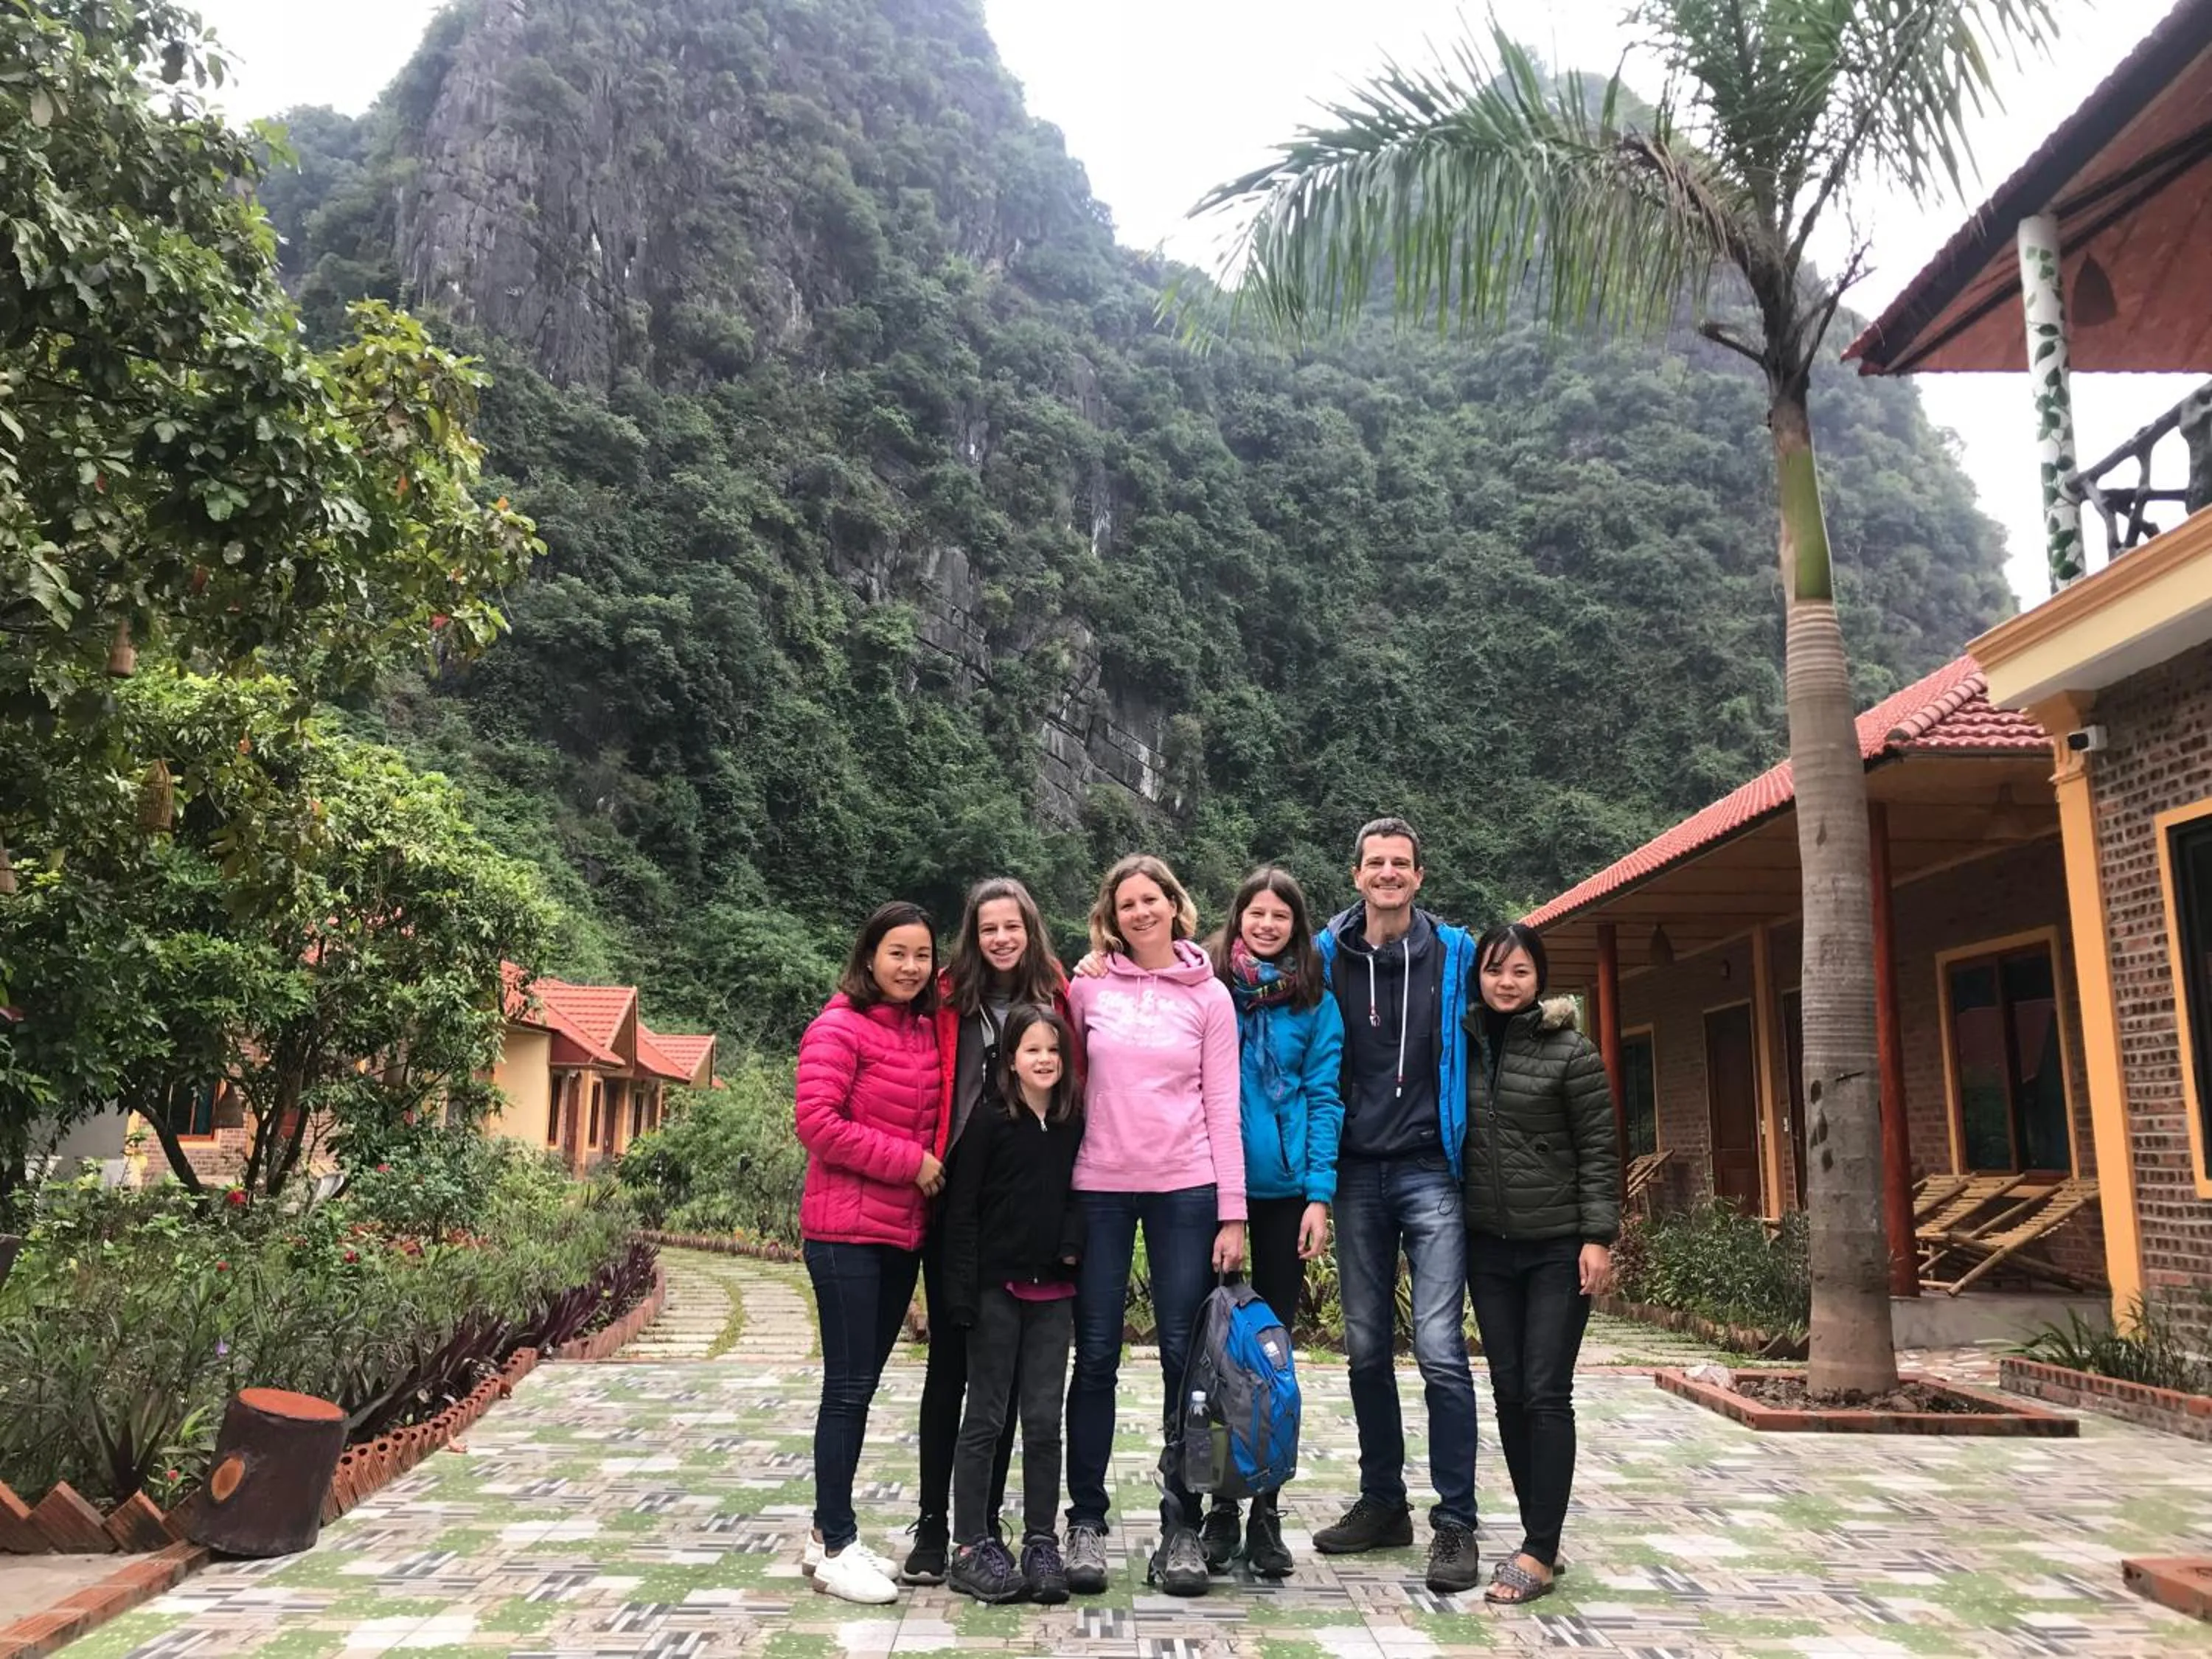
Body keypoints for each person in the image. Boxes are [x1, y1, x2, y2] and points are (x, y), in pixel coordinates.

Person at [1064, 853, 1243, 1599]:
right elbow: (1064, 1083)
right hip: (1099, 1187)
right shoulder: (1086, 988)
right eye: (1126, 904)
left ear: (1175, 905)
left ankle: (1181, 1525)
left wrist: (1233, 1211)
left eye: (1151, 900)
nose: (1140, 912)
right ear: (1111, 917)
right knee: (1096, 1355)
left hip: (1185, 1188)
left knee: (1183, 1358)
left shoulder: (1211, 996)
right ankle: (1085, 1521)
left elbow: (1223, 1104)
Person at [1312, 817, 1484, 1594]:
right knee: (1365, 1347)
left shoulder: (1456, 953)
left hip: (1429, 1167)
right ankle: (1383, 1502)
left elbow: (1506, 1006)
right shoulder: (1325, 955)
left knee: (1441, 1348)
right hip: (1355, 1172)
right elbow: (1246, 979)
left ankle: (1456, 1522)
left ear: (1420, 876)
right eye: (1375, 863)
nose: (1388, 873)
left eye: (1400, 864)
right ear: (1356, 875)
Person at [902, 878, 1075, 1586]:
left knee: (1007, 1385)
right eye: (988, 928)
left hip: (1026, 1208)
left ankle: (994, 1529)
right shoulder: (946, 995)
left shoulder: (1058, 995)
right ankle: (938, 1526)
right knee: (954, 1369)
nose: (1001, 939)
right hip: (957, 1191)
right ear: (972, 937)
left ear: (1031, 931)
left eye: (1013, 927)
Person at [1461, 922, 1618, 1606]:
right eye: (1495, 970)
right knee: (1509, 1391)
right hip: (1487, 1246)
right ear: (1478, 977)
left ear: (1539, 978)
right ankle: (1538, 1535)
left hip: (1558, 1245)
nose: (1507, 983)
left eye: (1520, 971)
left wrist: (1597, 1237)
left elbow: (1600, 1150)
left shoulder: (1571, 1052)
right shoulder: (1461, 1045)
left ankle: (1540, 1550)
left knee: (1547, 1392)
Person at [793, 902, 944, 1605]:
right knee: (847, 1389)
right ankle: (837, 1546)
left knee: (861, 1384)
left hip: (900, 1236)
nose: (910, 967)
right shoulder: (838, 1027)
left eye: (922, 955)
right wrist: (911, 1163)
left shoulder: (924, 1029)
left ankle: (825, 1535)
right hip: (845, 1235)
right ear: (869, 957)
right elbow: (817, 1123)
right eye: (897, 953)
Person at [1197, 866, 1344, 1579]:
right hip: (1212, 1186)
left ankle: (1266, 1509)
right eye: (1255, 913)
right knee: (1215, 1357)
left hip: (1285, 1193)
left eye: (1279, 916)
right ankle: (1219, 1506)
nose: (1266, 924)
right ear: (1238, 918)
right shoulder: (1208, 987)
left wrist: (1319, 1195)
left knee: (1270, 1362)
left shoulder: (1315, 1001)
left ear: (1296, 926)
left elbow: (1325, 1097)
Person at [940, 1006, 1086, 1605]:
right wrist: (960, 1293)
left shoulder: (1073, 1122)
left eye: (1053, 1049)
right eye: (1032, 1050)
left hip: (1054, 1294)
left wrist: (1072, 1246)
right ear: (1010, 1059)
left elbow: (1078, 1193)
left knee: (1045, 1422)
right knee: (986, 1418)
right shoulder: (989, 1120)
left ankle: (1041, 1542)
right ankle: (970, 1546)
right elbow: (962, 1210)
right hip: (995, 1291)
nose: (1044, 1060)